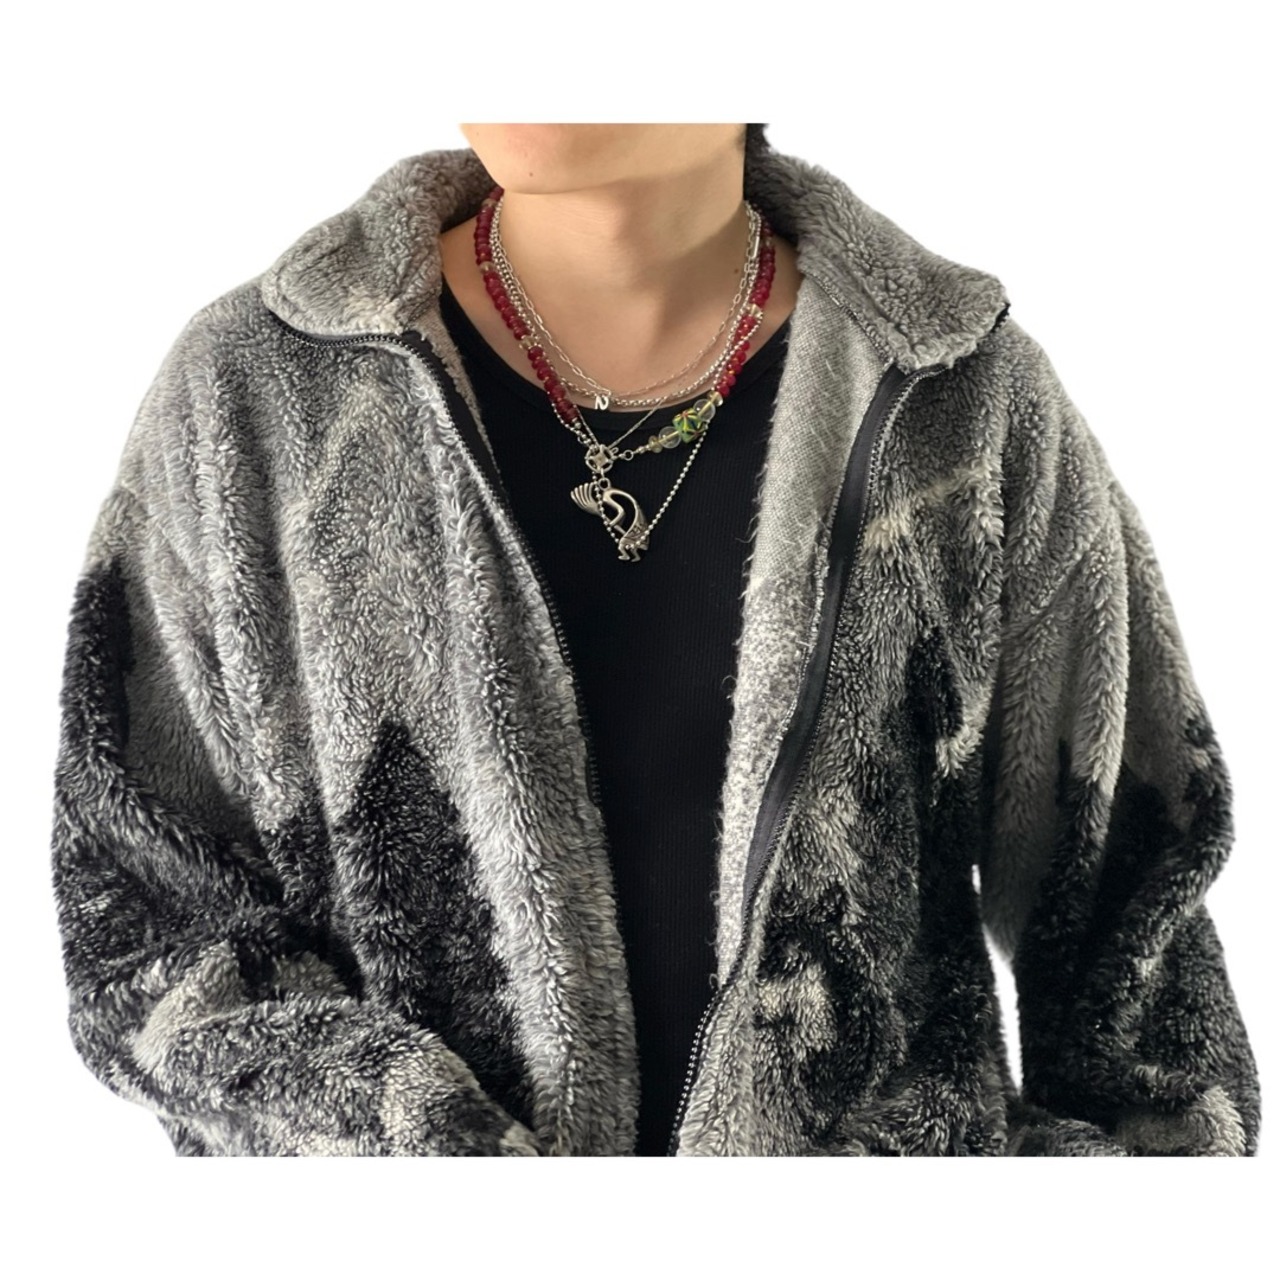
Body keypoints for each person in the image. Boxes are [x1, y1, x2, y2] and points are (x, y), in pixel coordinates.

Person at [50, 123, 1260, 1157]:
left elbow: (1138, 943)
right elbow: (153, 927)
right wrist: (427, 1160)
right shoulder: (254, 397)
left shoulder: (960, 400)